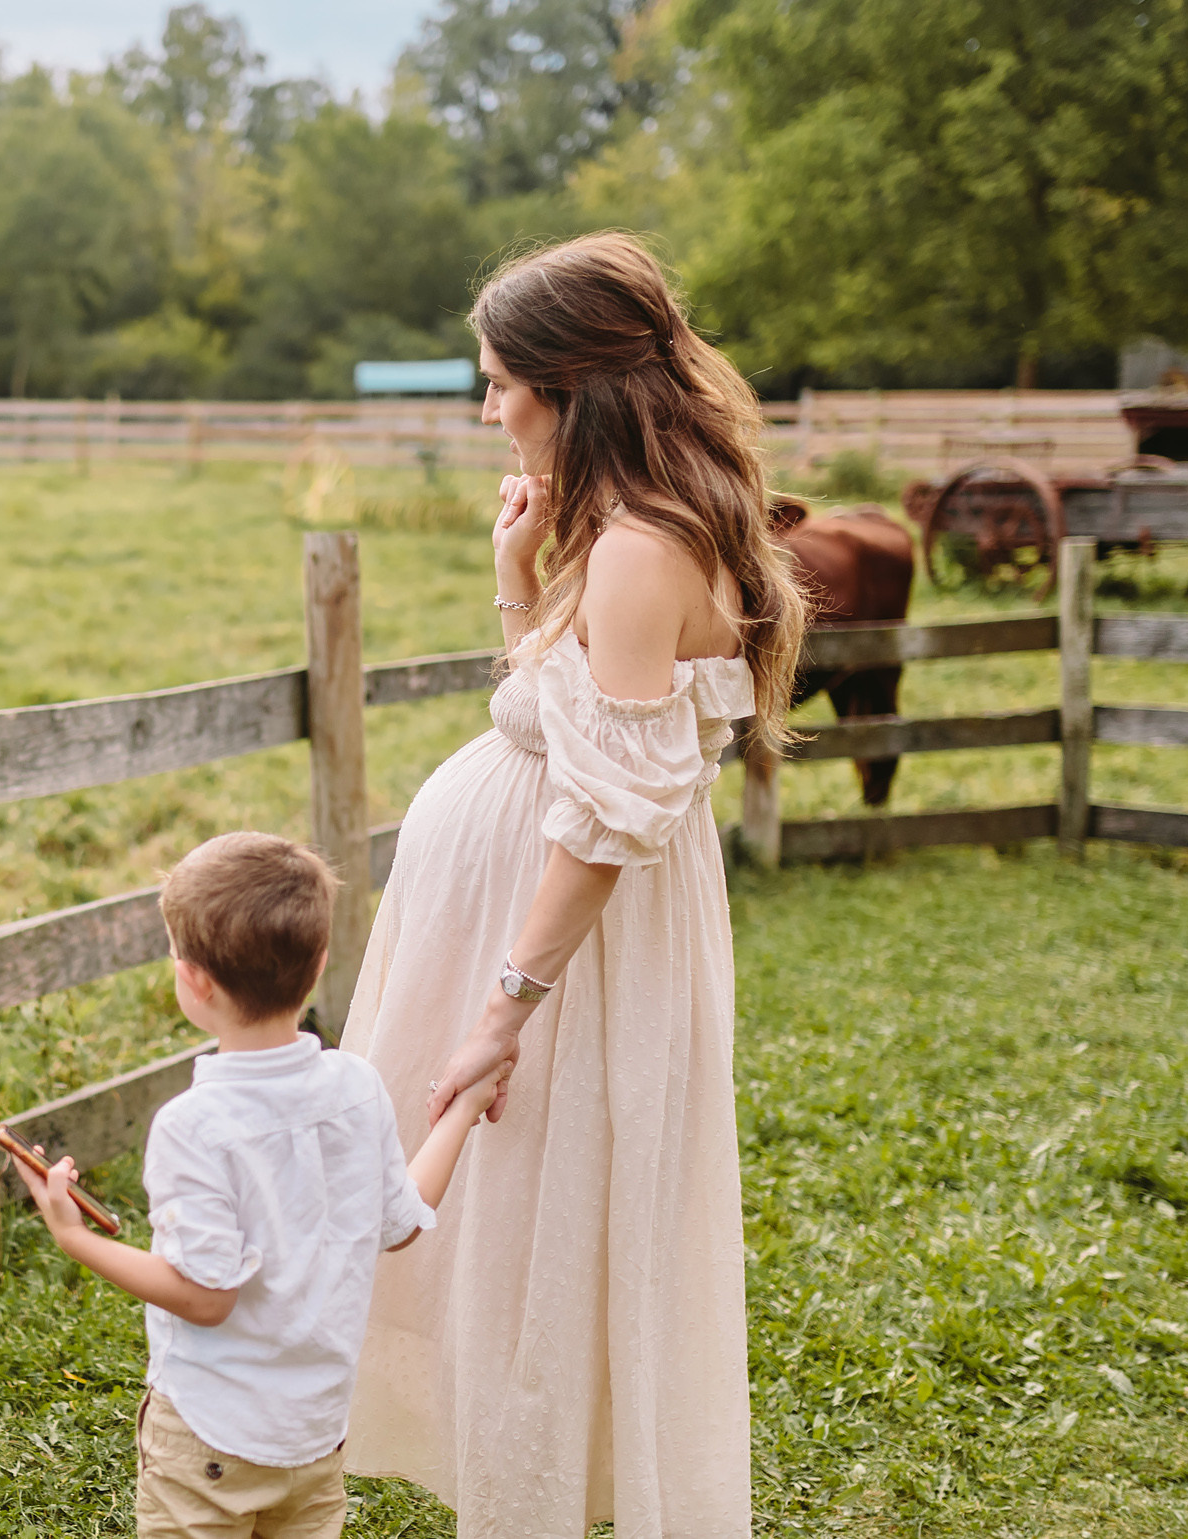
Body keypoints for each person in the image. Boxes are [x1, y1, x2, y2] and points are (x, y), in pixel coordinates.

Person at [338, 233, 809, 1539]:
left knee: (542, 1206)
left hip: (568, 948)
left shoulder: (641, 546)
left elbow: (607, 817)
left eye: (501, 383)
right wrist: (514, 577)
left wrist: (506, 1001)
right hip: (548, 931)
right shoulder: (620, 533)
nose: (489, 410)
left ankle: (540, 1485)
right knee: (514, 1210)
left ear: (570, 383)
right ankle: (519, 1462)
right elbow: (580, 729)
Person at [9, 830, 508, 1539]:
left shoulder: (193, 1125)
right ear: (320, 961)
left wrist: (73, 1234)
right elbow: (403, 1218)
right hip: (315, 1435)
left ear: (194, 980)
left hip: (212, 1440)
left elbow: (206, 1296)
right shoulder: (355, 1086)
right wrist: (462, 1109)